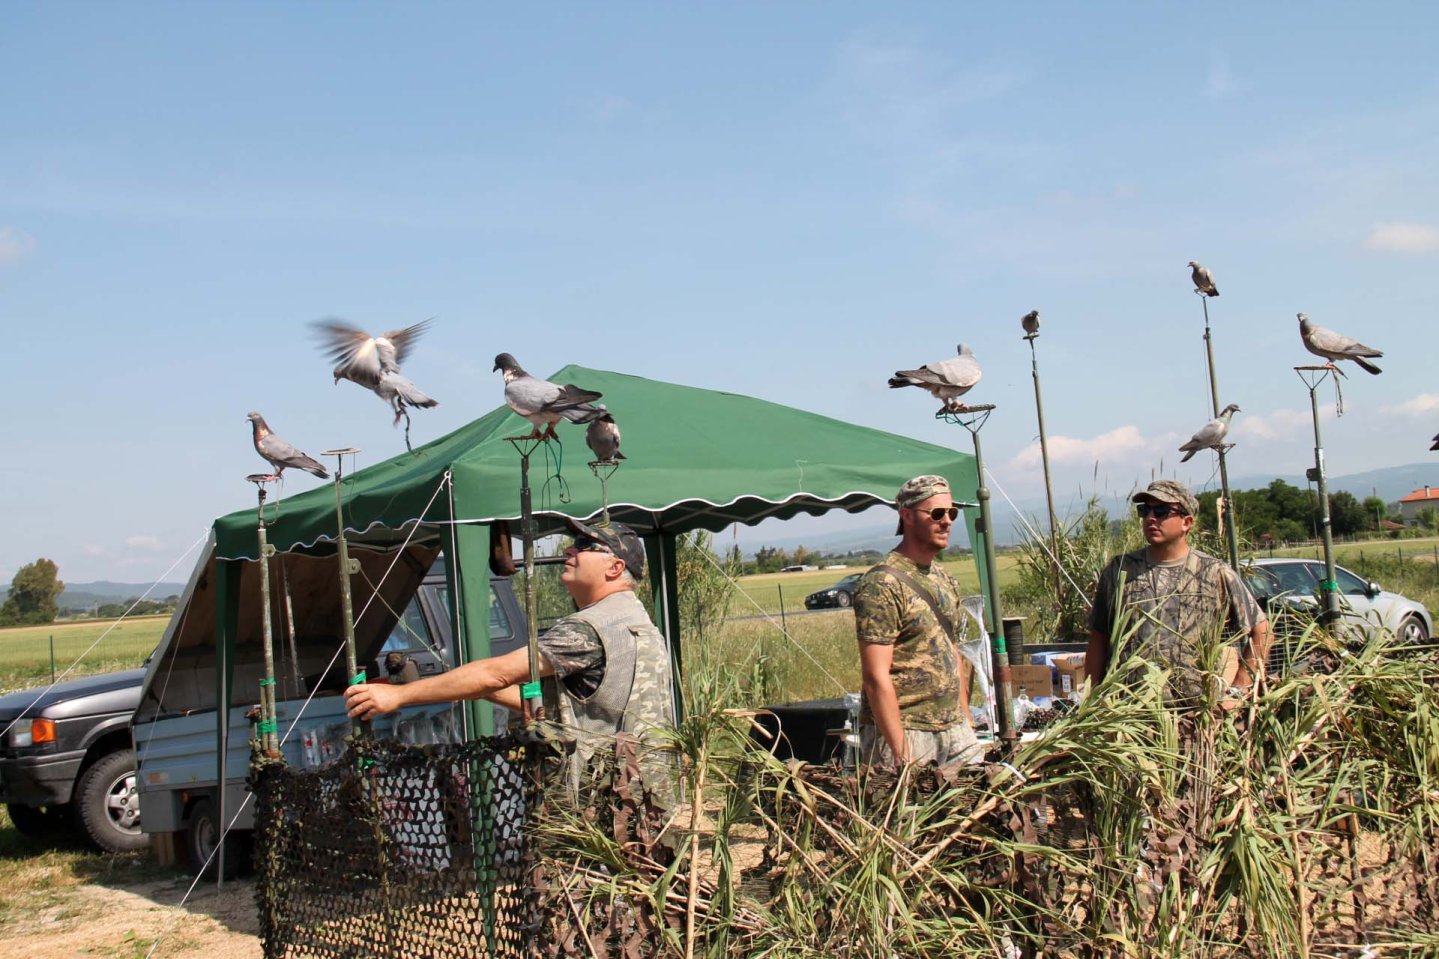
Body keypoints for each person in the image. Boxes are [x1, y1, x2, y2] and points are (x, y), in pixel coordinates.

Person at [345, 517, 676, 798]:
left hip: (600, 805)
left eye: (585, 546)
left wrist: (398, 696)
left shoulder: (591, 626)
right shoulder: (635, 620)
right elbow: (562, 706)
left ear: (616, 567)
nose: (569, 550)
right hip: (643, 796)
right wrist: (460, 682)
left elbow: (497, 674)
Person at [1086, 479, 1270, 704]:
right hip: (1129, 716)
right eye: (1144, 510)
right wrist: (1093, 698)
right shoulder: (1120, 571)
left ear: (1186, 522)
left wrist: (1239, 688)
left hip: (1195, 713)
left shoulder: (1213, 572)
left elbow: (1262, 630)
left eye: (1162, 511)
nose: (1150, 518)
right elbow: (1099, 636)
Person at [853, 474, 980, 767]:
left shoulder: (944, 578)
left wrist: (965, 717)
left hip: (955, 731)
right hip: (908, 732)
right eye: (936, 513)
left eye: (952, 513)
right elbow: (875, 676)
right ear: (907, 516)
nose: (947, 521)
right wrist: (901, 753)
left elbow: (952, 649)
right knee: (909, 814)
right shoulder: (882, 583)